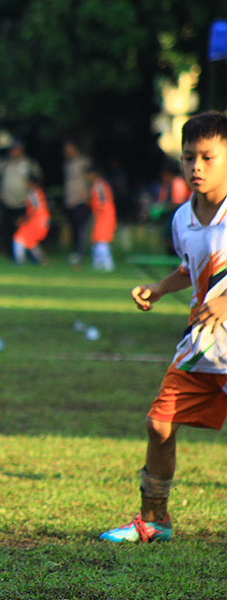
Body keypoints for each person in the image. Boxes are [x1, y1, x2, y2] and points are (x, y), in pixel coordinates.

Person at [100, 111, 227, 543]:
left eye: (208, 157)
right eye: (189, 157)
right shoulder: (182, 219)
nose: (196, 167)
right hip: (205, 344)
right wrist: (158, 288)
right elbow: (190, 267)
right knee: (160, 423)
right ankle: (154, 518)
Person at [0, 139, 42, 256]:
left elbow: (37, 179)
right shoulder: (3, 162)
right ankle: (9, 252)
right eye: (12, 149)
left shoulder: (29, 163)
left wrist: (33, 194)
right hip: (6, 201)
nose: (13, 152)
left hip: (23, 202)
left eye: (16, 149)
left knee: (24, 229)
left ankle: (25, 253)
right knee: (6, 228)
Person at [62, 140, 91, 264]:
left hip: (81, 199)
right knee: (73, 227)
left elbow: (91, 178)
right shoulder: (67, 164)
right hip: (70, 200)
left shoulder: (83, 162)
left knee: (80, 227)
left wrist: (88, 193)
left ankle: (80, 252)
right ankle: (74, 251)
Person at [12, 174, 49, 265]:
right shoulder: (39, 192)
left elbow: (35, 208)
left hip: (38, 221)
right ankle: (42, 259)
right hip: (42, 220)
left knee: (19, 238)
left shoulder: (32, 193)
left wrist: (23, 219)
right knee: (30, 241)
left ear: (31, 183)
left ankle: (19, 261)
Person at [88, 164, 117, 272]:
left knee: (101, 240)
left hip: (105, 215)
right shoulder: (97, 185)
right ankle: (98, 266)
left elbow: (103, 202)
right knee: (97, 240)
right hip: (101, 215)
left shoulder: (99, 186)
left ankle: (108, 266)